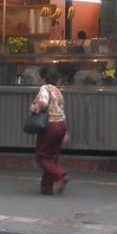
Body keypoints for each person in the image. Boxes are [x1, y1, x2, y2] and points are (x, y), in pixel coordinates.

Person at [30, 65, 69, 195]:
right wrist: (66, 132)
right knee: (52, 157)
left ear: (43, 78)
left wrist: (34, 107)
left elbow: (43, 103)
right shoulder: (58, 91)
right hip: (61, 125)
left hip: (50, 125)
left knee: (41, 156)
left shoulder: (44, 88)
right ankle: (46, 187)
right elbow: (61, 111)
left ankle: (60, 175)